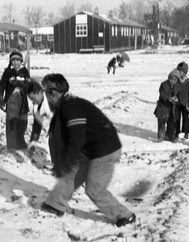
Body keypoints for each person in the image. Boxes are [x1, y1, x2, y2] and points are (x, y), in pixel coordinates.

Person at [39, 73, 135, 227]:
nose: (46, 97)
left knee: (93, 189)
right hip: (91, 149)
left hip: (104, 150)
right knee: (71, 176)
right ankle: (54, 204)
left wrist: (65, 162)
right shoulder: (67, 104)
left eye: (46, 92)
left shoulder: (70, 107)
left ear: (54, 93)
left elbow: (77, 137)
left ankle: (124, 215)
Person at [0, 50, 30, 150]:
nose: (15, 63)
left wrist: (21, 82)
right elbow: (2, 85)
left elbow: (28, 84)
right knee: (12, 123)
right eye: (13, 61)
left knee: (23, 122)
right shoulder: (8, 72)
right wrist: (1, 98)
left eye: (17, 60)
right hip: (12, 100)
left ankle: (20, 142)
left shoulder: (24, 72)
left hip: (23, 101)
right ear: (11, 62)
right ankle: (11, 146)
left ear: (21, 61)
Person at [153, 69, 181, 142]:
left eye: (175, 80)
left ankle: (170, 136)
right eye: (171, 79)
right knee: (161, 122)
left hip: (172, 108)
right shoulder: (163, 84)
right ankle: (161, 136)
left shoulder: (178, 86)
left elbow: (179, 94)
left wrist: (177, 99)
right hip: (163, 106)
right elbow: (162, 95)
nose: (173, 81)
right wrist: (169, 98)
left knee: (171, 122)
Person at [176, 62, 189, 140]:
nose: (179, 73)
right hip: (177, 103)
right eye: (178, 71)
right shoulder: (177, 81)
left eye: (181, 71)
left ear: (185, 72)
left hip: (186, 103)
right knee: (177, 118)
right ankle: (176, 132)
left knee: (185, 118)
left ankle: (186, 132)